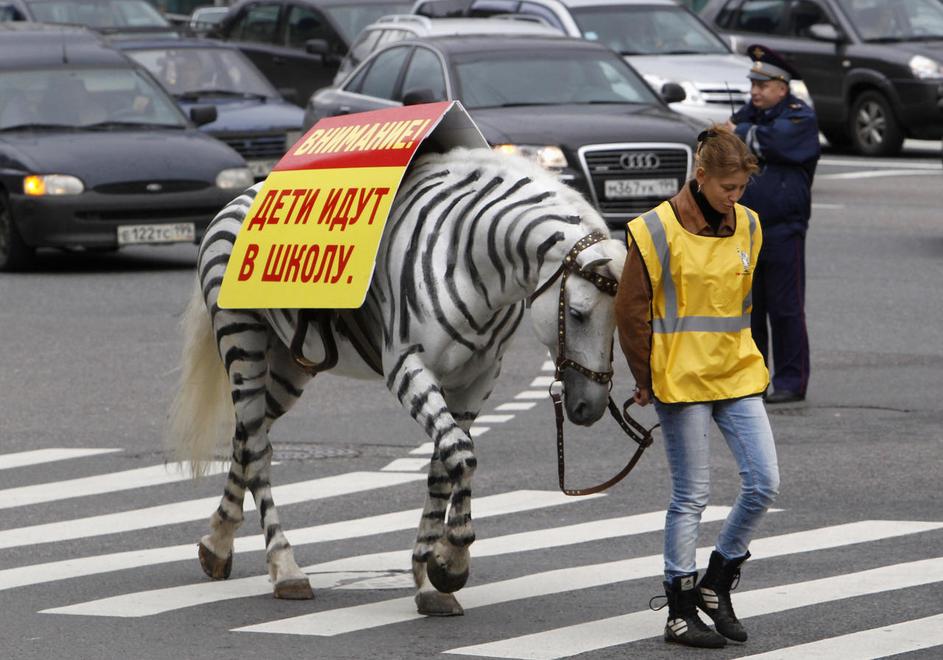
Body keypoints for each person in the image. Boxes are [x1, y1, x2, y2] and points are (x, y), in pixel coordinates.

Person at [615, 124, 780, 649]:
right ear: (701, 176)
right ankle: (679, 609)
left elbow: (746, 302)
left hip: (735, 372)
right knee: (692, 496)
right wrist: (643, 376)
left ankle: (717, 581)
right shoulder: (654, 229)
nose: (735, 199)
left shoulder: (750, 225)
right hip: (680, 378)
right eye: (727, 188)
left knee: (763, 484)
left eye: (741, 190)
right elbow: (630, 311)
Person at [728, 44, 820, 404]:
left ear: (782, 88)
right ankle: (756, 377)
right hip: (746, 229)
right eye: (753, 85)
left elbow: (777, 142)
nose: (755, 92)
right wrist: (742, 131)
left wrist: (742, 132)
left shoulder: (800, 117)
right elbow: (728, 142)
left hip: (784, 227)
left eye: (762, 86)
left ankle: (791, 381)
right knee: (751, 309)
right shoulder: (749, 114)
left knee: (785, 309)